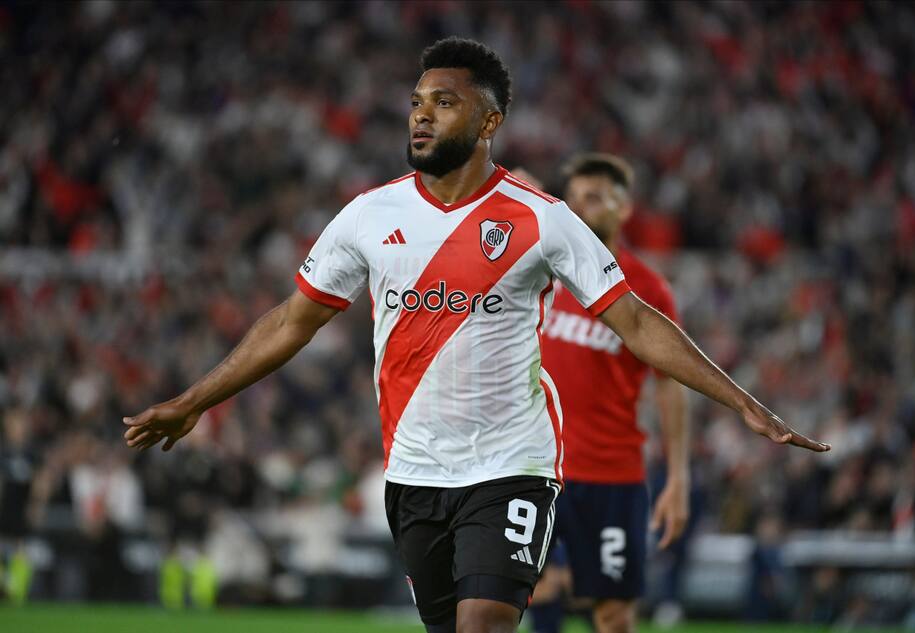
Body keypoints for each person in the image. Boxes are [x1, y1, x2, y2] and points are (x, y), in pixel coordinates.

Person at [123, 37, 829, 633]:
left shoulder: (542, 219)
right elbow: (290, 320)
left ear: (489, 121)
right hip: (415, 472)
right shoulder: (370, 216)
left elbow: (637, 321)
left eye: (445, 101)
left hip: (511, 463)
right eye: (417, 102)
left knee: (485, 619)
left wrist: (740, 402)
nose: (422, 115)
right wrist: (196, 399)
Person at [522, 155, 689, 633]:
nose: (580, 208)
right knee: (542, 589)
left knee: (613, 613)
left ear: (625, 208)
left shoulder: (648, 290)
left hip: (613, 474)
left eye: (594, 197)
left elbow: (671, 386)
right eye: (573, 199)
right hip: (540, 468)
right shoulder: (542, 271)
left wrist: (678, 479)